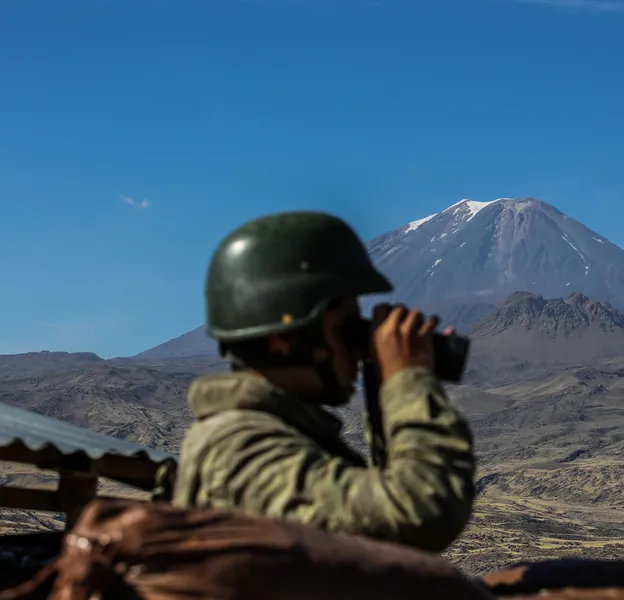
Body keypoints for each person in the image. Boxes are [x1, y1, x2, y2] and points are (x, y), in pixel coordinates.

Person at [171, 210, 477, 553]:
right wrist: (408, 379)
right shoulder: (237, 449)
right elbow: (422, 514)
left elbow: (386, 543)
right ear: (284, 340)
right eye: (348, 329)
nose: (359, 349)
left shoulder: (278, 433)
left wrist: (383, 381)